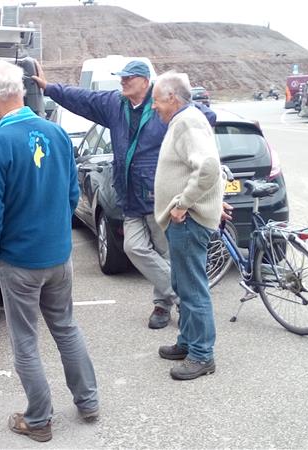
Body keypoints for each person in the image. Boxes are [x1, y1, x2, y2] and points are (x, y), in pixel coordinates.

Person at [34, 60, 216, 329]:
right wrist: (50, 88)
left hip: (158, 194)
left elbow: (205, 116)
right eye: (122, 77)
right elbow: (82, 98)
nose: (123, 81)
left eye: (129, 78)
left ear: (145, 81)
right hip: (128, 194)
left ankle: (162, 305)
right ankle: (181, 295)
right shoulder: (115, 104)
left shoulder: (162, 104)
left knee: (165, 253)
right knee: (134, 248)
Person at [0, 60, 99, 442]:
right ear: (21, 91)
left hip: (20, 261)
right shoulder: (57, 133)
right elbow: (72, 195)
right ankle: (88, 401)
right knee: (66, 327)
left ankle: (39, 418)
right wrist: (56, 233)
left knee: (25, 341)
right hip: (58, 256)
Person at [150, 72, 223, 381]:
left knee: (192, 289)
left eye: (156, 100)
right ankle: (188, 342)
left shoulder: (187, 122)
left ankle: (202, 355)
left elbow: (208, 167)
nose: (154, 106)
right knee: (182, 285)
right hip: (184, 220)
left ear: (172, 98)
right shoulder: (184, 120)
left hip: (188, 219)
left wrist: (183, 203)